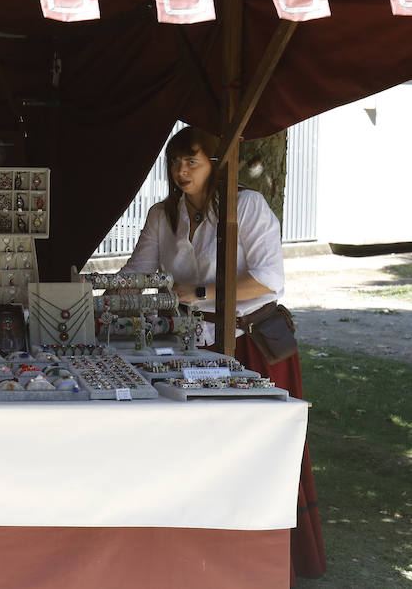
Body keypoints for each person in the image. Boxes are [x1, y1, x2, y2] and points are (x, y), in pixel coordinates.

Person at [119, 125, 326, 580]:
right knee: (206, 448)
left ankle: (271, 558)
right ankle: (205, 553)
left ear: (216, 163)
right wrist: (91, 292)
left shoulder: (246, 205)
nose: (181, 170)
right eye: (175, 161)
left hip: (252, 342)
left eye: (192, 160)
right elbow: (135, 274)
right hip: (195, 345)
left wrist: (198, 290)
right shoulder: (163, 214)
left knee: (262, 449)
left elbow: (270, 278)